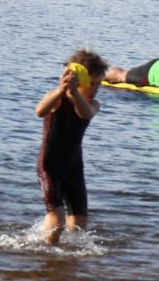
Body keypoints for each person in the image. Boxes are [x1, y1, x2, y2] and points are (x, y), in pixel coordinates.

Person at [35, 50, 107, 244]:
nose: (96, 89)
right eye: (92, 84)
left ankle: (67, 253)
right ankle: (48, 251)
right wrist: (61, 90)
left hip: (74, 167)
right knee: (57, 220)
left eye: (99, 84)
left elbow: (85, 114)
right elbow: (40, 111)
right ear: (79, 79)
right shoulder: (56, 98)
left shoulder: (93, 104)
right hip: (49, 165)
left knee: (79, 222)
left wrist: (75, 93)